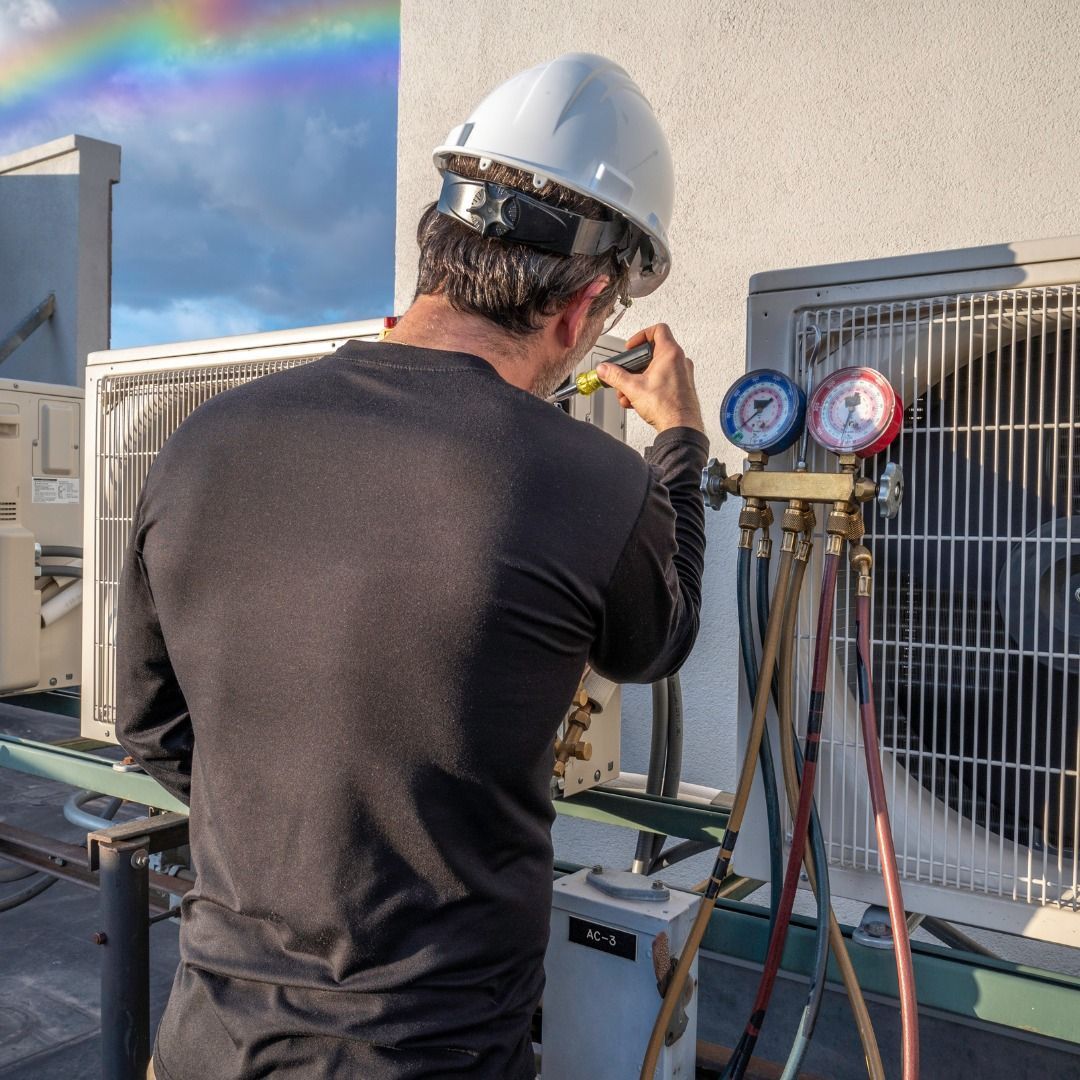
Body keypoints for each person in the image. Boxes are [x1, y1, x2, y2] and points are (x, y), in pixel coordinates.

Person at [117, 53, 708, 1080]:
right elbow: (658, 640)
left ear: (437, 244)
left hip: (207, 1041)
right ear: (586, 307)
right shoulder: (592, 482)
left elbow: (154, 731)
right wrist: (681, 448)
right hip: (431, 1055)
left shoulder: (202, 442)